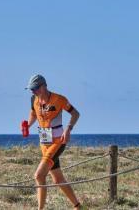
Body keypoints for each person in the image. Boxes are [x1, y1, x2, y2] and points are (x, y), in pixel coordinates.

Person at [24, 74, 81, 210]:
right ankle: (78, 206)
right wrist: (27, 124)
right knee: (58, 180)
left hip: (58, 141)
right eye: (31, 89)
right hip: (44, 142)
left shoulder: (59, 99)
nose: (33, 91)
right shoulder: (34, 99)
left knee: (39, 175)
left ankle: (40, 209)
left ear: (43, 86)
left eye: (35, 88)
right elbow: (33, 114)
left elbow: (75, 114)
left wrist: (68, 129)